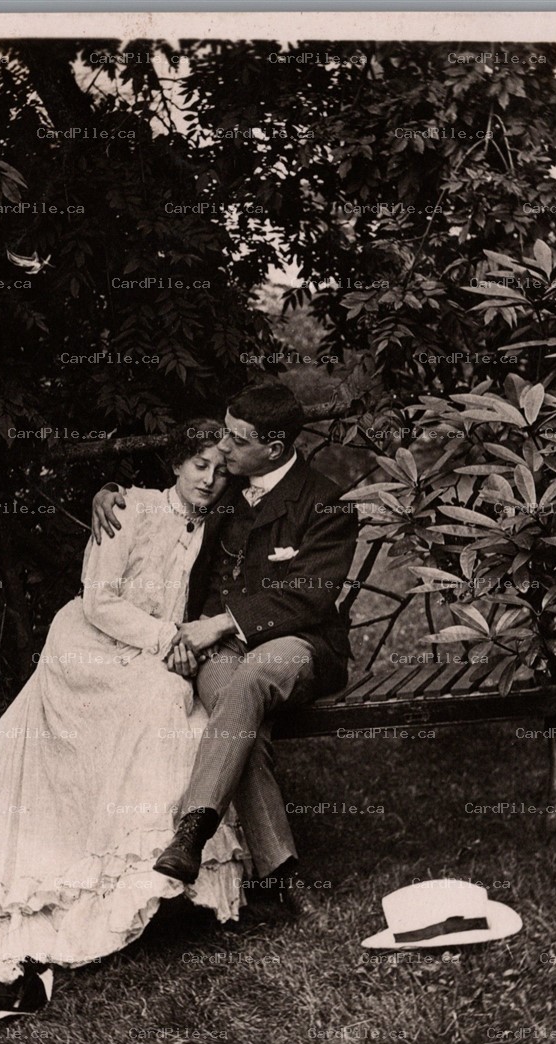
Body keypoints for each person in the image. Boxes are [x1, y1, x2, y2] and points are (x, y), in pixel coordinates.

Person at [0, 420, 247, 1044]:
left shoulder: (214, 520)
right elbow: (100, 602)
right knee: (162, 701)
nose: (209, 479)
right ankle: (104, 887)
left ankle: (160, 881)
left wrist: (181, 641)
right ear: (176, 464)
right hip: (91, 647)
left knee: (178, 708)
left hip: (154, 652)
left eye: (220, 470)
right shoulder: (128, 510)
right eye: (199, 465)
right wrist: (168, 639)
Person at [91, 380, 360, 908]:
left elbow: (309, 597)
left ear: (273, 449)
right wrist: (108, 491)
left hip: (299, 644)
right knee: (242, 724)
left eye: (237, 439)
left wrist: (216, 625)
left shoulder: (325, 502)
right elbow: (166, 503)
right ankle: (283, 875)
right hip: (221, 653)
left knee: (252, 678)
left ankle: (193, 829)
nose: (224, 447)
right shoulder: (226, 485)